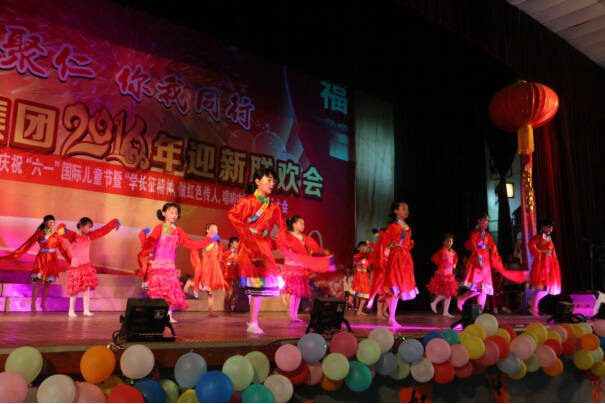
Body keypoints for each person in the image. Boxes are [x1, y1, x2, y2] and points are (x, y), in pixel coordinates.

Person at [226, 168, 286, 334]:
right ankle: (253, 322)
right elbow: (231, 215)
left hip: (264, 246)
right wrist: (245, 232)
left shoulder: (274, 207)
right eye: (268, 180)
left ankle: (252, 320)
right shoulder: (247, 202)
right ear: (257, 181)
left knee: (257, 285)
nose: (272, 184)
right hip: (250, 245)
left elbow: (282, 225)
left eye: (273, 181)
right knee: (257, 285)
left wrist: (282, 242)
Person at [138, 203, 218, 323]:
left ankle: (169, 315)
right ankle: (156, 316)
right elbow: (148, 244)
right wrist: (143, 235)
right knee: (158, 294)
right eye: (171, 212)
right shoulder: (159, 228)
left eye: (176, 213)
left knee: (171, 293)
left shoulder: (178, 230)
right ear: (164, 213)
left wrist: (209, 239)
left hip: (170, 268)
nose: (174, 215)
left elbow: (191, 243)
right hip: (158, 268)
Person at [0, 215, 71, 312]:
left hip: (52, 260)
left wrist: (72, 260)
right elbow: (29, 244)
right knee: (38, 282)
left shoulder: (56, 235)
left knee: (48, 283)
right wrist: (15, 254)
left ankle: (43, 304)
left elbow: (64, 250)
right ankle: (33, 304)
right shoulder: (40, 233)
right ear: (45, 223)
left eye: (53, 222)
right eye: (50, 222)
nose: (52, 224)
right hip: (42, 259)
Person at [457, 212, 527, 310]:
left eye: (488, 221)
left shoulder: (487, 235)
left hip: (485, 263)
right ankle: (462, 298)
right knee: (477, 287)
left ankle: (479, 311)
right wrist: (478, 256)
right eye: (485, 220)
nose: (487, 223)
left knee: (484, 289)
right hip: (478, 262)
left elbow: (493, 247)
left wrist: (497, 262)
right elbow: (473, 245)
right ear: (479, 221)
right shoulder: (474, 233)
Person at [368, 202, 418, 328]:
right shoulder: (393, 226)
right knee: (394, 287)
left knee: (397, 288)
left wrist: (407, 246)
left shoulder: (407, 227)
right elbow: (385, 243)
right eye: (403, 208)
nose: (406, 211)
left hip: (405, 258)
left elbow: (407, 242)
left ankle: (391, 317)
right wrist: (384, 258)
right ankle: (391, 317)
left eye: (407, 208)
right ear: (396, 211)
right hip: (395, 257)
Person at [60, 217, 119, 318]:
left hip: (86, 266)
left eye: (90, 227)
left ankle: (86, 310)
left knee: (86, 289)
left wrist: (113, 223)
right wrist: (62, 230)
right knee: (74, 290)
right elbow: (64, 232)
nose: (89, 229)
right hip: (76, 266)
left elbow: (101, 231)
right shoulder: (74, 235)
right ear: (81, 225)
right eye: (88, 226)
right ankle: (71, 310)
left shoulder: (89, 236)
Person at [278, 215, 331, 322]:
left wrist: (317, 252)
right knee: (293, 292)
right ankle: (291, 314)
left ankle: (295, 314)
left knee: (299, 292)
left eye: (303, 224)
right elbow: (283, 247)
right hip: (291, 266)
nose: (303, 226)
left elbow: (313, 248)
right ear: (294, 225)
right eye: (300, 223)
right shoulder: (288, 236)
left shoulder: (304, 237)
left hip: (301, 267)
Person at [187, 223, 230, 317]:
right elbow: (200, 250)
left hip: (214, 267)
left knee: (211, 290)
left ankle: (210, 311)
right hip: (206, 266)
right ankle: (190, 283)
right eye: (212, 229)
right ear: (207, 230)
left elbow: (219, 255)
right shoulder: (205, 241)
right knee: (206, 287)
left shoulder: (217, 242)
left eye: (216, 229)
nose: (215, 231)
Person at [528, 218, 562, 317]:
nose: (550, 229)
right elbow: (531, 245)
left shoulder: (547, 238)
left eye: (551, 227)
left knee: (544, 288)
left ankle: (533, 305)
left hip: (549, 264)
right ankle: (533, 307)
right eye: (548, 227)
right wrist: (540, 253)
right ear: (542, 227)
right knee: (544, 288)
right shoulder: (538, 237)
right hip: (542, 265)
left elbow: (551, 252)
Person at [427, 233, 458, 318]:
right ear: (444, 242)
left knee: (449, 293)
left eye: (451, 241)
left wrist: (453, 266)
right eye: (447, 241)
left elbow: (455, 260)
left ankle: (445, 311)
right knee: (447, 292)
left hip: (450, 274)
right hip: (443, 274)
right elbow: (434, 258)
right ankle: (434, 302)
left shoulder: (453, 252)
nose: (449, 243)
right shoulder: (442, 251)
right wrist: (441, 264)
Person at [350, 241, 371, 316]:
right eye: (362, 246)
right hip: (359, 275)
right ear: (358, 248)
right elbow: (360, 257)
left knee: (365, 295)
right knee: (355, 291)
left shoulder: (367, 257)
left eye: (364, 246)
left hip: (365, 276)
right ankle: (350, 302)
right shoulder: (356, 256)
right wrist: (368, 250)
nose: (363, 248)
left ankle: (359, 311)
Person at [222, 237, 240, 312]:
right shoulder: (227, 252)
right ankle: (226, 307)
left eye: (238, 242)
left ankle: (229, 304)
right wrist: (227, 265)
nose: (237, 244)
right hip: (228, 274)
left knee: (236, 292)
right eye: (235, 242)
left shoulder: (238, 253)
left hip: (236, 274)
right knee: (228, 292)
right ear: (231, 243)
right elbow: (221, 260)